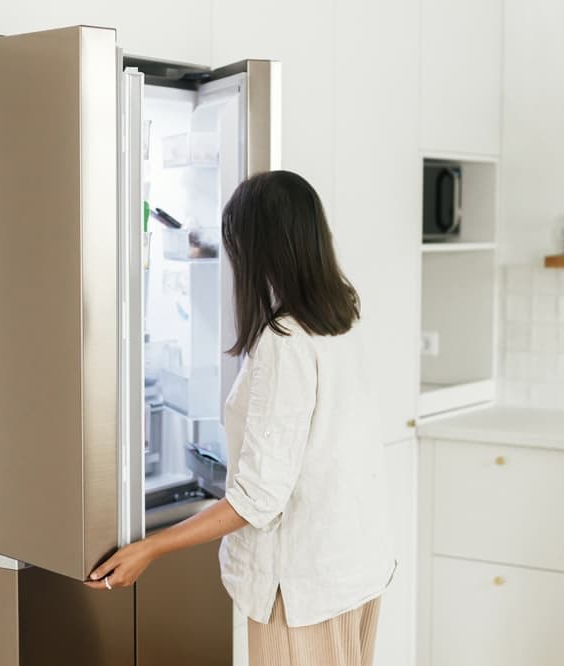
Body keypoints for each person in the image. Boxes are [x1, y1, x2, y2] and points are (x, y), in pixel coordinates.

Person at [87, 170, 397, 666]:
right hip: (353, 566)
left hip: (303, 588)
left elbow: (258, 499)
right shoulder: (341, 310)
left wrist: (150, 548)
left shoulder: (285, 339)